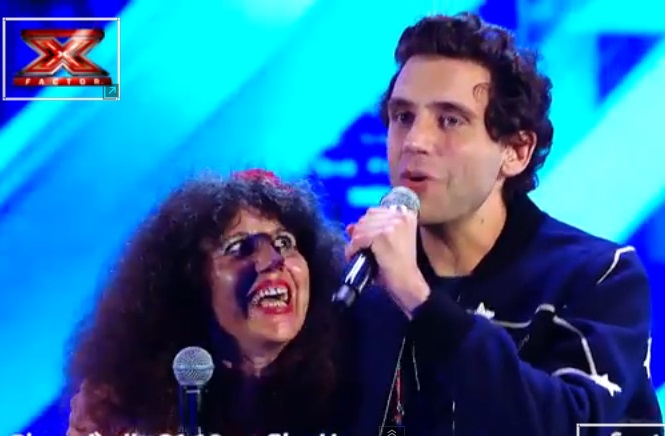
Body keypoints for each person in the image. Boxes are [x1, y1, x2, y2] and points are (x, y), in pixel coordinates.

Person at [344, 12, 662, 436]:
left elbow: (568, 424)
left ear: (516, 150)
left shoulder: (598, 276)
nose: (415, 142)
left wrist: (419, 300)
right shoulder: (364, 284)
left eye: (449, 120)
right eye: (403, 117)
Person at [65, 169, 351, 436]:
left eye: (284, 243)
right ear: (187, 282)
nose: (272, 261)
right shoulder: (131, 406)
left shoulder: (357, 379)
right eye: (238, 247)